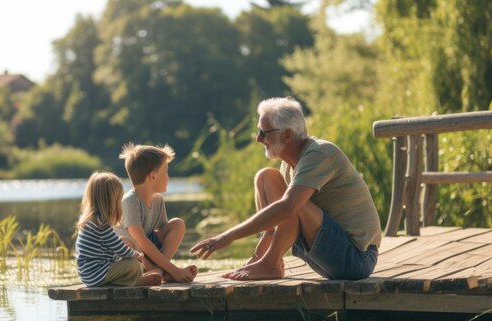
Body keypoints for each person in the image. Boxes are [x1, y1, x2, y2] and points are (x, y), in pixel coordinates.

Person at [191, 97, 382, 281]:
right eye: (258, 131)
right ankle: (264, 260)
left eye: (264, 132)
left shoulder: (320, 153)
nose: (258, 139)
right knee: (266, 177)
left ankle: (271, 264)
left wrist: (228, 236)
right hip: (331, 254)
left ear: (287, 134)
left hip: (357, 259)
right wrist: (257, 256)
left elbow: (288, 208)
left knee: (291, 202)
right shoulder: (290, 164)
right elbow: (281, 218)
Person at [115, 143, 198, 283]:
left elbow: (164, 235)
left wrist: (165, 266)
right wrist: (174, 269)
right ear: (153, 176)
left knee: (177, 224)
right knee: (129, 243)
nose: (168, 177)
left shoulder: (157, 200)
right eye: (165, 171)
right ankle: (164, 271)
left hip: (147, 248)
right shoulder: (130, 201)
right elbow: (140, 241)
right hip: (130, 252)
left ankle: (160, 271)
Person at [75, 171, 163, 287]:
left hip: (91, 275)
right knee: (134, 265)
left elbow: (112, 247)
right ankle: (137, 282)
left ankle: (130, 280)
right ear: (111, 201)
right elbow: (119, 248)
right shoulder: (101, 224)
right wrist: (136, 255)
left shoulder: (93, 221)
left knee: (126, 247)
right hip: (96, 274)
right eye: (119, 200)